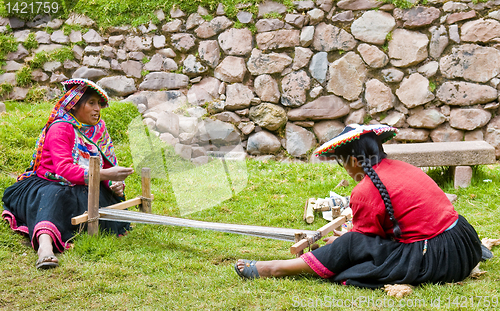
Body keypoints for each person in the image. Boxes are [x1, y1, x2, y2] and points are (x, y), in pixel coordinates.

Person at [235, 124, 484, 288]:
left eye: (343, 164)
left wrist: (342, 242)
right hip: (463, 247)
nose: (345, 169)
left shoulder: (365, 190)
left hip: (436, 259)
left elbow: (362, 242)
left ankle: (276, 268)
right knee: (351, 242)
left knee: (349, 245)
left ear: (354, 160)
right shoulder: (403, 168)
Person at [2, 78, 134, 269]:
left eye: (99, 104)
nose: (97, 109)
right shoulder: (60, 128)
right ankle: (45, 247)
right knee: (53, 196)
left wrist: (113, 185)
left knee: (95, 198)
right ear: (74, 105)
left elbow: (105, 164)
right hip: (51, 182)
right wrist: (106, 175)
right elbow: (64, 170)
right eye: (91, 103)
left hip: (83, 183)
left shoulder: (97, 130)